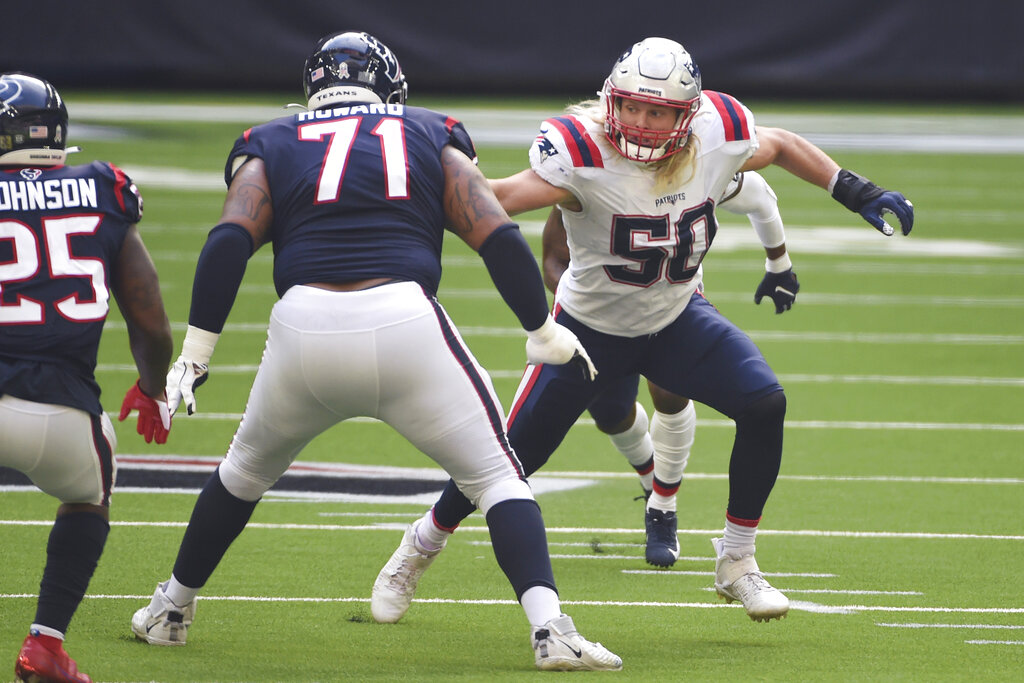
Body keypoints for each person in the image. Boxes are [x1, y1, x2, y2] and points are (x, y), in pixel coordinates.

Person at [372, 36, 914, 624]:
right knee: (503, 461)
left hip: (676, 318)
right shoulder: (581, 151)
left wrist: (855, 189)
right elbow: (498, 200)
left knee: (764, 403)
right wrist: (424, 185)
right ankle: (417, 548)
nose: (641, 122)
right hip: (588, 333)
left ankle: (736, 562)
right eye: (631, 106)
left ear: (687, 115)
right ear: (611, 100)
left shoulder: (717, 133)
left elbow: (780, 146)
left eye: (657, 111)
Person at [128, 32, 621, 672]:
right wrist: (541, 328)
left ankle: (170, 609)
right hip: (403, 321)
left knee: (243, 472)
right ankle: (551, 631)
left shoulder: (270, 143)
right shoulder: (426, 131)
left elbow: (229, 239)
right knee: (499, 478)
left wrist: (196, 353)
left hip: (302, 329)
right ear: (388, 88)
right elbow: (493, 231)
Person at [0, 72, 173, 683]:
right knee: (90, 495)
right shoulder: (101, 188)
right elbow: (149, 320)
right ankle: (45, 642)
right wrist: (152, 389)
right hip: (62, 413)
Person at [544, 170, 800, 568]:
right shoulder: (584, 173)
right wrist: (588, 308)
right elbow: (554, 260)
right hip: (599, 316)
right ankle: (651, 479)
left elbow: (759, 193)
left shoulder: (690, 165)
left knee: (671, 390)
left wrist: (779, 263)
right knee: (611, 413)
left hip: (672, 303)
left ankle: (663, 506)